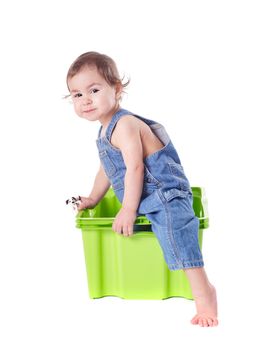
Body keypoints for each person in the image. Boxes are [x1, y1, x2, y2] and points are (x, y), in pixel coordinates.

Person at [65, 51, 218, 327]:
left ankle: (205, 295)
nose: (85, 99)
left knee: (178, 234)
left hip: (165, 195)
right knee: (166, 232)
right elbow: (107, 171)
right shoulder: (103, 132)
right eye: (76, 95)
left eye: (94, 90)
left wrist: (127, 209)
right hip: (146, 197)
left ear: (117, 89)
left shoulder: (124, 125)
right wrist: (93, 197)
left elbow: (135, 168)